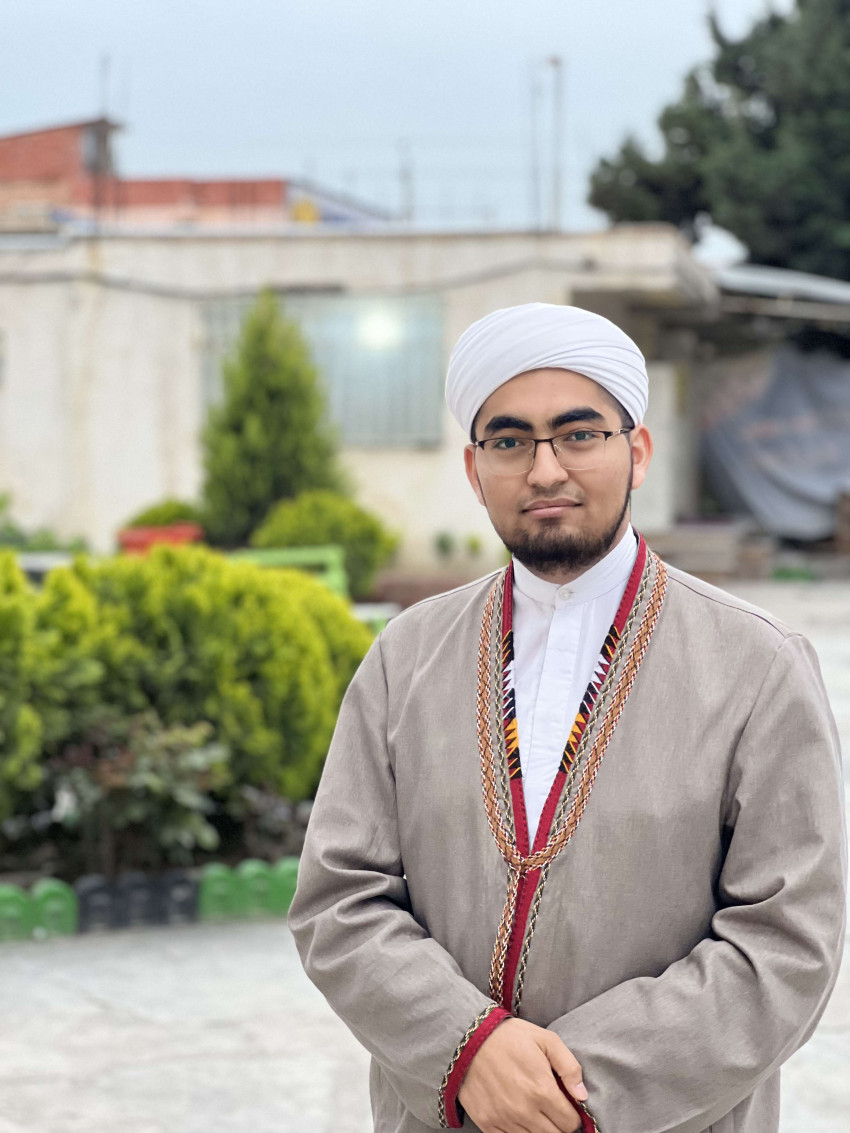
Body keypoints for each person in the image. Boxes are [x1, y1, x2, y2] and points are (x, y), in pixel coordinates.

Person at [289, 303, 846, 1133]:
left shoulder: (756, 663)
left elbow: (786, 943)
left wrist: (573, 1093)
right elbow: (339, 898)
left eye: (579, 434)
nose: (545, 469)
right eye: (510, 441)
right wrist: (466, 1049)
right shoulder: (406, 656)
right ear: (475, 469)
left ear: (638, 451)